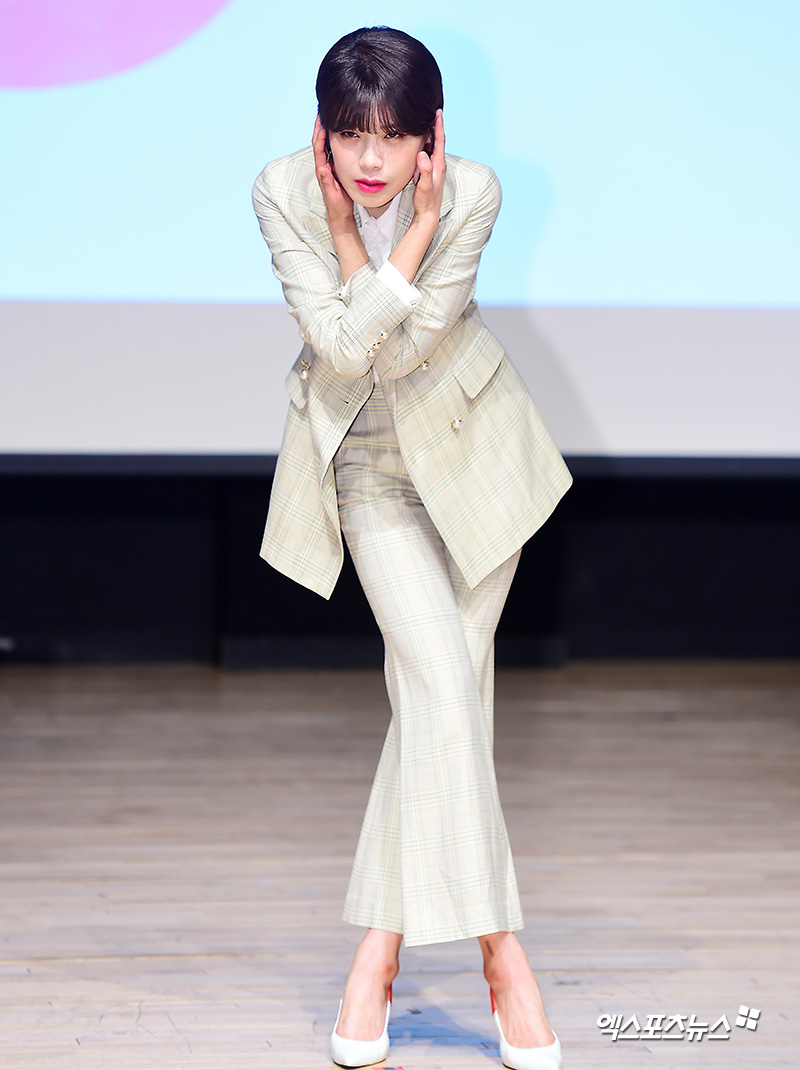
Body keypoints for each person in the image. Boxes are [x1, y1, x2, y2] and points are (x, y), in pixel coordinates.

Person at [252, 26, 571, 1070]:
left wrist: (401, 236)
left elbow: (410, 346)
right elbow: (347, 355)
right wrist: (371, 241)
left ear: (431, 133)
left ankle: (377, 958)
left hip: (477, 468)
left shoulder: (470, 193)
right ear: (323, 132)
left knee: (438, 708)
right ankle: (504, 960)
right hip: (368, 474)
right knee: (442, 688)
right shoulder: (281, 191)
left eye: (392, 135)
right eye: (351, 133)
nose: (371, 157)